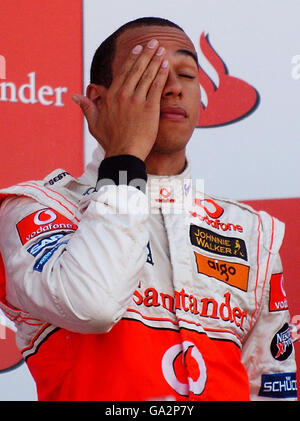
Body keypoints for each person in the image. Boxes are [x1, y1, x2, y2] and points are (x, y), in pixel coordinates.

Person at [0, 17, 297, 401]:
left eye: (188, 74)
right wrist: (125, 160)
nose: (173, 88)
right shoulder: (36, 209)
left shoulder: (252, 233)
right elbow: (92, 305)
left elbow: (271, 388)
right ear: (101, 99)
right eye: (149, 73)